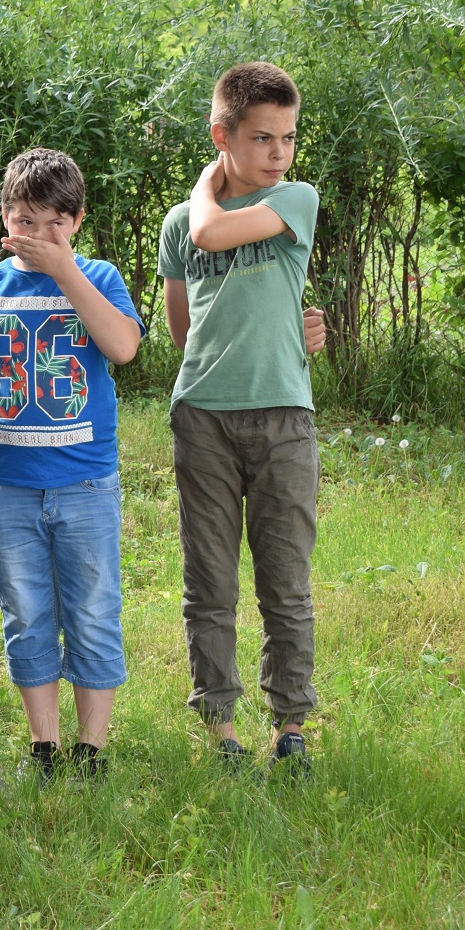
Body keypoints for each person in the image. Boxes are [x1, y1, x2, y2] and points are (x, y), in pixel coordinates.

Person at [0, 149, 144, 779]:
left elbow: (124, 347)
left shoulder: (100, 278)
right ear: (5, 217)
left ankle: (92, 748)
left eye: (54, 223)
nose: (38, 236)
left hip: (84, 484)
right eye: (26, 221)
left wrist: (66, 273)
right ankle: (45, 745)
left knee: (92, 608)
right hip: (11, 491)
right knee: (26, 613)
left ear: (77, 222)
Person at [159, 61, 322, 771]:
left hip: (284, 419)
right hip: (204, 420)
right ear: (222, 133)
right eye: (262, 139)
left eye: (287, 137)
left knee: (284, 580)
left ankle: (291, 722)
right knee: (211, 579)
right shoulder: (177, 226)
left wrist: (204, 182)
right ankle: (221, 723)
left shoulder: (296, 198)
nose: (279, 152)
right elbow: (180, 329)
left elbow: (212, 234)